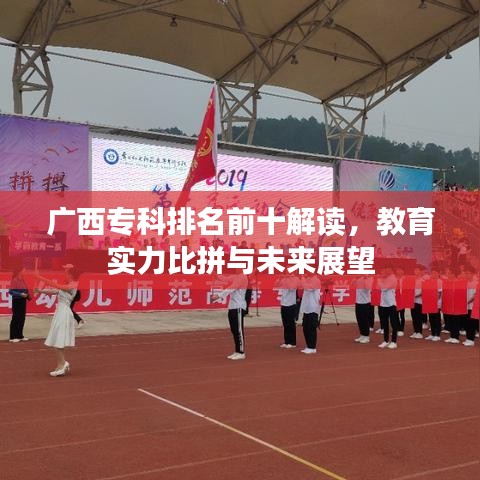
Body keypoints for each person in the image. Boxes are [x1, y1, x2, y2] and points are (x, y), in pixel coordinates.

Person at [34, 267, 80, 376]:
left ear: (70, 275)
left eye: (66, 273)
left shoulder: (73, 285)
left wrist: (39, 277)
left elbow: (55, 285)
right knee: (56, 340)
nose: (65, 275)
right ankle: (61, 364)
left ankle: (62, 365)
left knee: (58, 341)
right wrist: (40, 291)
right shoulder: (66, 286)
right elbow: (54, 291)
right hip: (59, 312)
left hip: (64, 313)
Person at [211, 269, 248, 360]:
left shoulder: (242, 277)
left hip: (239, 307)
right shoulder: (235, 277)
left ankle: (241, 352)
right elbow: (225, 279)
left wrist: (218, 296)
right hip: (232, 306)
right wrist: (216, 275)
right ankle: (237, 351)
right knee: (234, 330)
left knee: (238, 330)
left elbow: (231, 288)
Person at [377, 266, 399, 349]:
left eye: (387, 269)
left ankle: (394, 341)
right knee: (384, 323)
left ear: (391, 270)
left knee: (393, 323)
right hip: (384, 304)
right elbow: (379, 287)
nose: (386, 271)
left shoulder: (393, 279)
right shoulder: (385, 278)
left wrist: (379, 280)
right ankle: (385, 341)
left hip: (391, 304)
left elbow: (384, 288)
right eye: (385, 269)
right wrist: (381, 280)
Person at [8, 264, 31, 342]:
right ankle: (12, 337)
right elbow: (11, 291)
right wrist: (20, 294)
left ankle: (19, 335)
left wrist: (28, 295)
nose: (25, 272)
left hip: (23, 301)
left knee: (22, 318)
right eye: (24, 270)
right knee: (16, 318)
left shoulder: (22, 280)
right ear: (19, 272)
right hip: (17, 301)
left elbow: (25, 290)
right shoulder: (15, 280)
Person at [299, 273, 321, 354]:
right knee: (305, 327)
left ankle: (312, 347)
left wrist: (302, 278)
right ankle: (308, 345)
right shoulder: (308, 279)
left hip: (313, 308)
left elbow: (308, 288)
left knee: (311, 328)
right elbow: (301, 286)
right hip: (307, 308)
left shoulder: (316, 280)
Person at [277, 272, 299, 348]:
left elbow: (291, 288)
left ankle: (292, 342)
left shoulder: (295, 279)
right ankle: (287, 341)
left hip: (291, 304)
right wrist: (280, 278)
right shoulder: (284, 279)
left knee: (291, 324)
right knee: (285, 323)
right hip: (284, 304)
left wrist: (287, 278)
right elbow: (277, 284)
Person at [63, 264, 85, 328]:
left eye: (66, 268)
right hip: (71, 293)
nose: (65, 269)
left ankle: (79, 320)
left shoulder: (72, 277)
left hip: (74, 294)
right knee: (68, 308)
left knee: (68, 308)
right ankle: (75, 321)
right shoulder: (68, 276)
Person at [353, 275, 373, 344]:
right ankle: (362, 335)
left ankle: (366, 336)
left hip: (365, 303)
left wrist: (365, 278)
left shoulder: (369, 278)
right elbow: (352, 284)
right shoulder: (359, 278)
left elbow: (368, 287)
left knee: (365, 320)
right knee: (359, 319)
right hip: (358, 302)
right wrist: (356, 278)